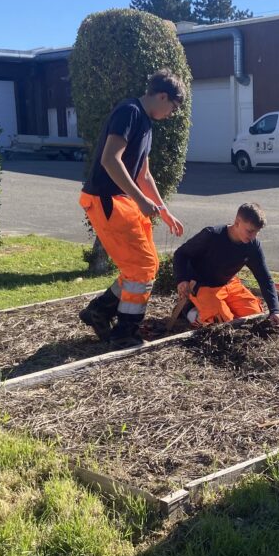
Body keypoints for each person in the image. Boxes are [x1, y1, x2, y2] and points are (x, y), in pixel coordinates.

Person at [78, 69, 187, 348]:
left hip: (122, 201)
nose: (172, 114)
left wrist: (163, 210)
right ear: (162, 96)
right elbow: (110, 160)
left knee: (143, 264)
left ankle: (100, 311)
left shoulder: (146, 123)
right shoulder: (129, 112)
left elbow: (144, 175)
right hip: (107, 200)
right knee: (142, 266)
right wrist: (140, 200)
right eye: (173, 107)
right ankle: (125, 332)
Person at [173, 203, 279, 331]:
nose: (253, 237)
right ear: (237, 222)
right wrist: (182, 279)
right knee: (222, 324)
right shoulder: (212, 235)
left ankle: (214, 308)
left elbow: (264, 278)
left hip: (229, 283)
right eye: (250, 231)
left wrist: (275, 310)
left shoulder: (252, 246)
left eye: (257, 232)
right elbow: (181, 254)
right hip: (203, 285)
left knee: (255, 316)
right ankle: (189, 311)